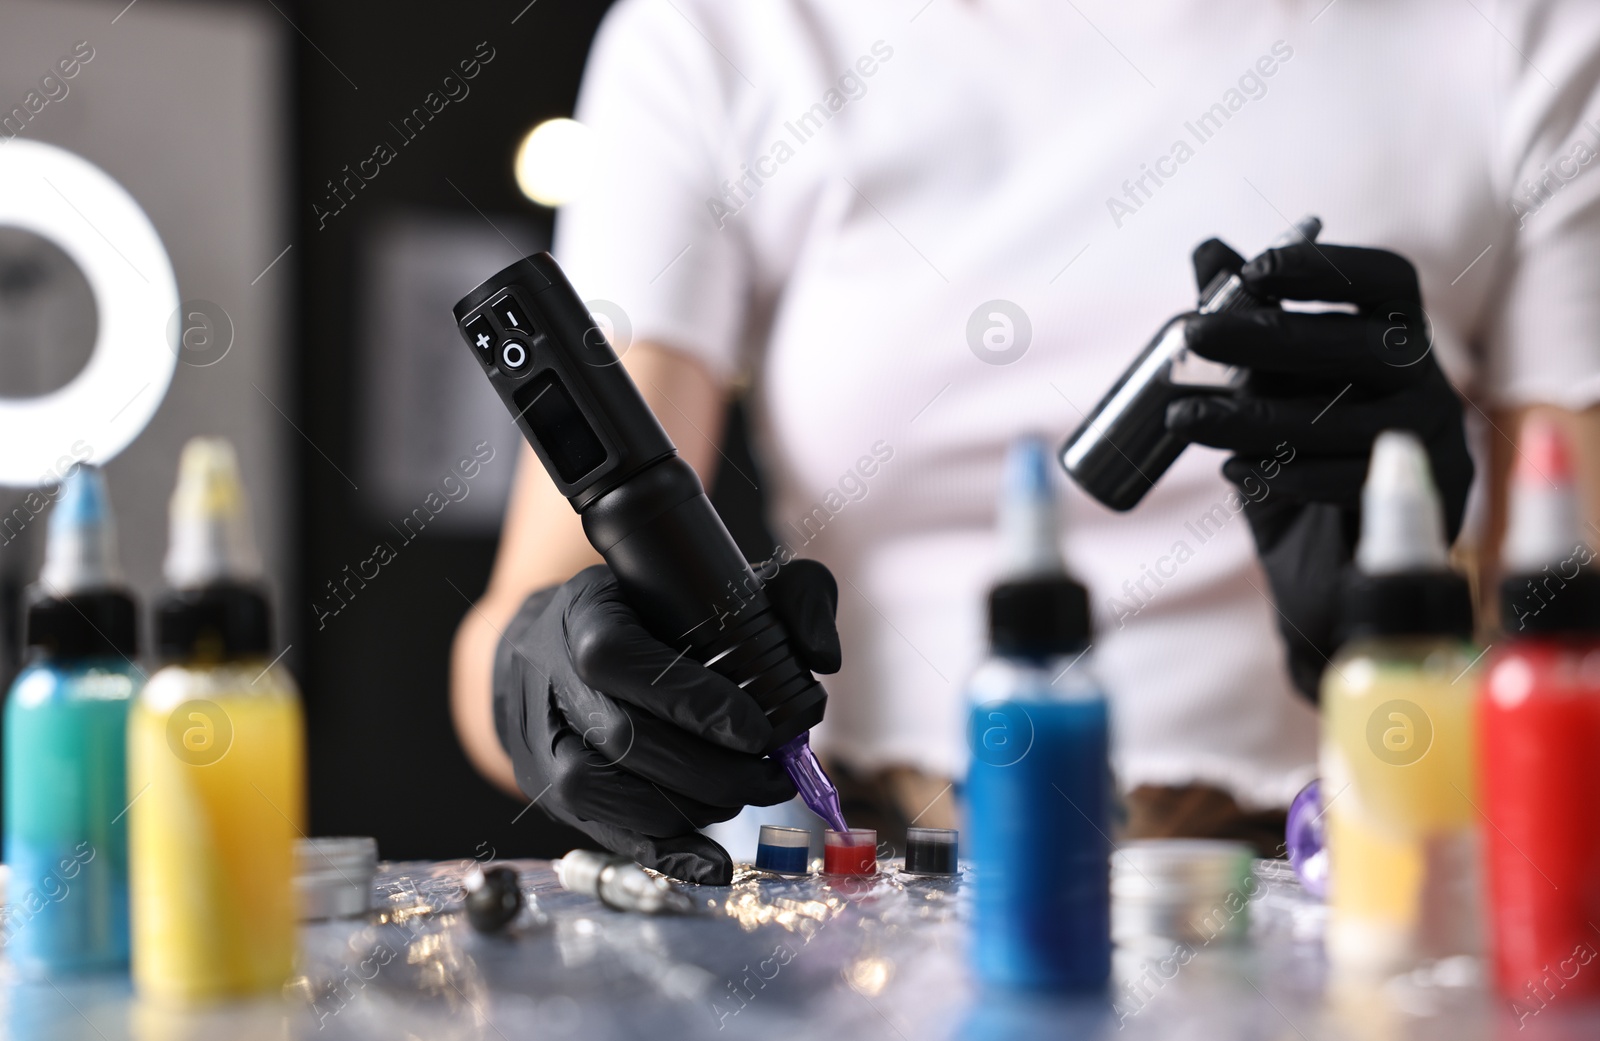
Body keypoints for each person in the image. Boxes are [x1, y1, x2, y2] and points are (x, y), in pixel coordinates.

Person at [452, 0, 1600, 882]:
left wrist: (1403, 634)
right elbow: (524, 608)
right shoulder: (726, 34)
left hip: (1355, 877)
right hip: (883, 894)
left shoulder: (1525, 33)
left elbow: (1575, 661)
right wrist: (545, 676)